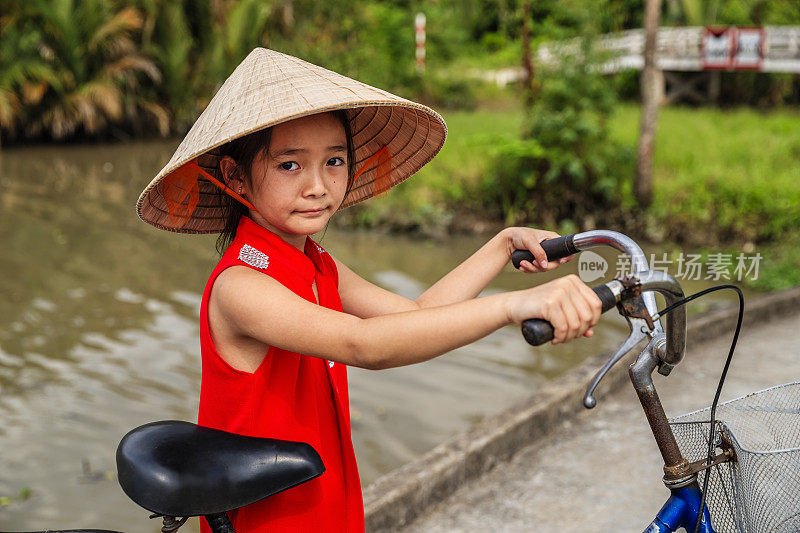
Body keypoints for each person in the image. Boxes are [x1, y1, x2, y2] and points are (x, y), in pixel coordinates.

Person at [135, 48, 601, 533]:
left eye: (334, 161)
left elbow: (413, 312)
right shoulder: (241, 286)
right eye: (290, 166)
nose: (318, 186)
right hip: (271, 520)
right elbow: (365, 344)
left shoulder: (316, 264)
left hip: (327, 505)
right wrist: (511, 305)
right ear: (235, 177)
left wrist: (503, 244)